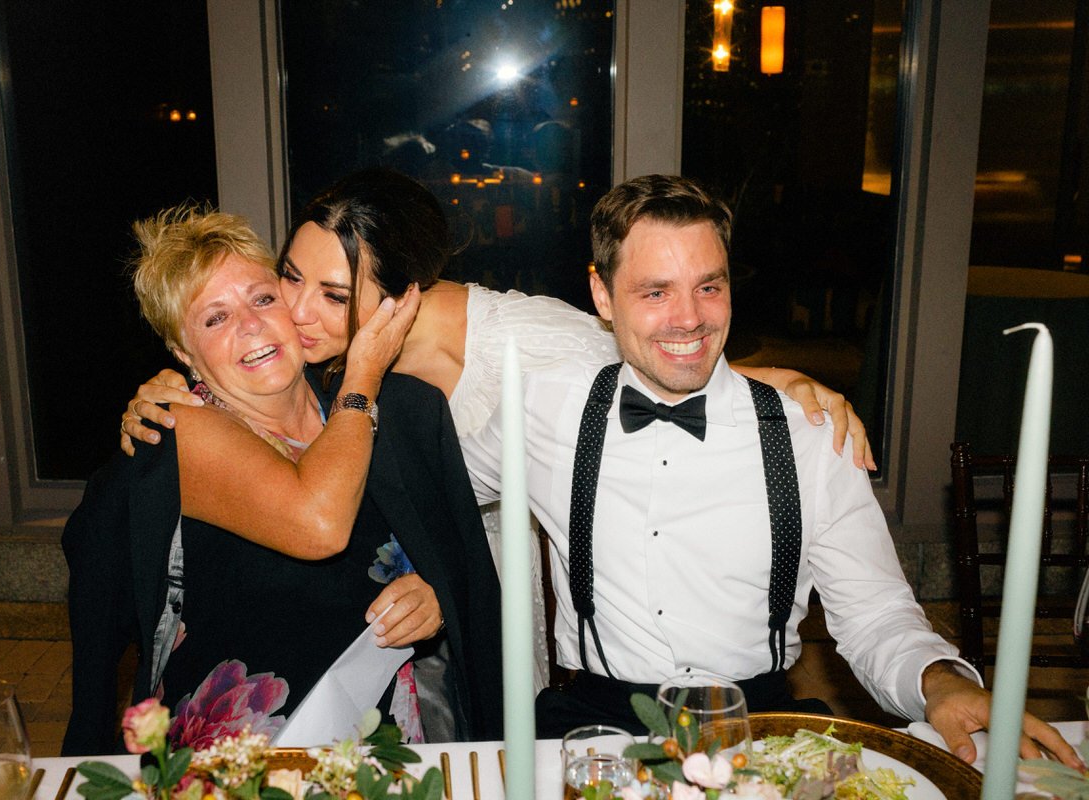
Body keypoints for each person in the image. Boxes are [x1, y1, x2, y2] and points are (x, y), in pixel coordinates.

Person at [120, 170, 876, 690]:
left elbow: (664, 370)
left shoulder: (537, 350)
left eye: (330, 294)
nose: (293, 311)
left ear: (403, 300)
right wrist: (172, 382)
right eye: (289, 276)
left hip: (518, 611)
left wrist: (775, 387)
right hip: (398, 610)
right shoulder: (327, 357)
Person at [459, 174, 1079, 766]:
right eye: (656, 292)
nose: (690, 318)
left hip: (760, 727)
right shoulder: (544, 407)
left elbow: (876, 610)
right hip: (596, 727)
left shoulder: (809, 436)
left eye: (709, 286)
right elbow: (441, 491)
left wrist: (938, 682)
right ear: (602, 294)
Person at [62, 206, 502, 755]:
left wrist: (436, 596)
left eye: (262, 298)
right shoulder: (184, 432)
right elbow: (319, 523)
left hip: (387, 742)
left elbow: (457, 563)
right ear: (183, 355)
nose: (250, 325)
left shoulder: (402, 413)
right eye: (214, 318)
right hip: (246, 760)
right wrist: (363, 375)